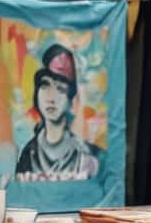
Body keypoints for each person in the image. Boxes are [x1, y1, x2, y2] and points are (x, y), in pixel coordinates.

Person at [15, 44, 103, 181]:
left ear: (71, 100)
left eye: (61, 89)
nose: (51, 98)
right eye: (45, 86)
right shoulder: (28, 154)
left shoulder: (89, 156)